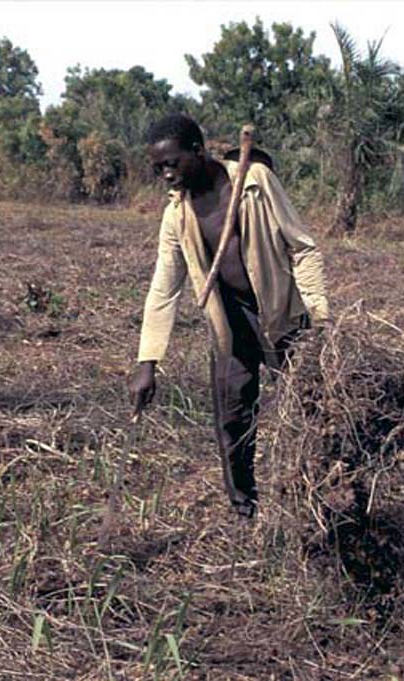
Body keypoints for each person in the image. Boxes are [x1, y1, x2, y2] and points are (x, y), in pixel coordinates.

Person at [129, 113, 330, 518]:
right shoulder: (177, 215)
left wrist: (320, 318)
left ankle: (321, 498)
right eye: (158, 168)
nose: (167, 175)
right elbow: (164, 286)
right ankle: (244, 508)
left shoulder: (254, 183)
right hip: (230, 325)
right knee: (232, 419)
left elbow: (303, 247)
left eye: (173, 163)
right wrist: (148, 361)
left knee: (313, 411)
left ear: (198, 152)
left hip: (281, 317)